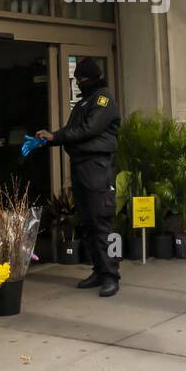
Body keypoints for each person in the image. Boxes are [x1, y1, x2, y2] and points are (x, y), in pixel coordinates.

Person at [37, 57, 121, 297]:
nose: (78, 83)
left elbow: (88, 130)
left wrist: (55, 137)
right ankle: (98, 269)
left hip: (96, 167)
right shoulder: (84, 102)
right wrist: (52, 137)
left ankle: (110, 275)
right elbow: (73, 132)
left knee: (100, 220)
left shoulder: (103, 99)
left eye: (81, 79)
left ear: (92, 78)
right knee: (87, 221)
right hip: (81, 167)